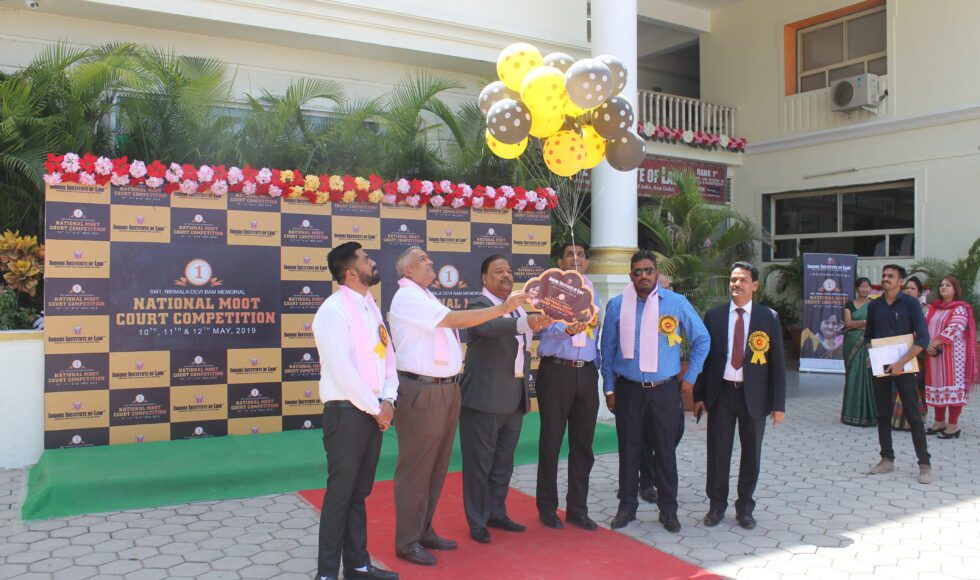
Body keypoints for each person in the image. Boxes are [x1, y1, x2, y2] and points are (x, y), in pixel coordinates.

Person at [388, 247, 526, 566]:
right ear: (407, 271)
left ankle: (424, 531)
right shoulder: (407, 296)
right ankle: (407, 541)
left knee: (436, 468)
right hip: (424, 389)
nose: (430, 262)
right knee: (417, 470)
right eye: (422, 260)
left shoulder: (425, 295)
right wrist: (504, 308)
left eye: (429, 258)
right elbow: (457, 320)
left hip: (446, 389)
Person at [600, 251, 709, 532]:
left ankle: (668, 509)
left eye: (648, 270)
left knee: (665, 450)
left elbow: (702, 339)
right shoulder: (616, 306)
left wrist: (691, 377)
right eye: (637, 271)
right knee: (629, 450)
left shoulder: (675, 302)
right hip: (628, 390)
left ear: (657, 273)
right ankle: (627, 507)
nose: (643, 276)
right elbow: (607, 351)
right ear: (631, 276)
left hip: (664, 390)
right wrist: (609, 388)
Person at [313, 242, 398, 580]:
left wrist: (389, 400)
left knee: (358, 493)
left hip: (372, 411)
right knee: (340, 496)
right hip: (346, 413)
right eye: (365, 259)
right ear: (350, 272)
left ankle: (358, 566)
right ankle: (326, 573)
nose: (372, 262)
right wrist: (377, 408)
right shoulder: (332, 311)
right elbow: (341, 370)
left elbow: (387, 358)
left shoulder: (370, 307)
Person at [460, 255, 553, 544]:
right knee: (479, 463)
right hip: (484, 398)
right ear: (484, 278)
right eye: (498, 271)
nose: (506, 275)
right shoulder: (479, 305)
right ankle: (477, 520)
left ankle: (496, 512)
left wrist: (532, 321)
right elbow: (490, 327)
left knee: (503, 462)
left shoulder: (517, 308)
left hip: (514, 397)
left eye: (509, 271)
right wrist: (524, 322)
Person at [694, 262, 786, 529]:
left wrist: (778, 404)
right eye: (733, 279)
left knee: (751, 453)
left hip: (754, 396)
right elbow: (704, 359)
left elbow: (777, 364)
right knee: (718, 452)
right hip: (721, 394)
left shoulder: (768, 317)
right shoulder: (714, 316)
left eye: (743, 280)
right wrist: (699, 395)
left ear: (755, 285)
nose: (736, 284)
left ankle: (745, 507)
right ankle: (716, 505)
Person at [535, 242, 601, 532]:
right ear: (560, 262)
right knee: (551, 441)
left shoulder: (594, 292)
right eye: (570, 255)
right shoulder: (551, 290)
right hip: (557, 372)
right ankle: (547, 508)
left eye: (581, 255)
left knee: (583, 445)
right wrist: (567, 327)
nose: (576, 259)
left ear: (586, 262)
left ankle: (577, 509)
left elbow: (599, 333)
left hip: (586, 373)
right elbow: (543, 326)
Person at [865, 264, 932, 484]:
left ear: (900, 281)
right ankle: (887, 459)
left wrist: (900, 363)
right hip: (881, 367)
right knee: (883, 414)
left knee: (913, 415)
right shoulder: (874, 305)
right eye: (884, 275)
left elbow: (923, 339)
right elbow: (869, 336)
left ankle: (924, 465)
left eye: (890, 276)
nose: (885, 278)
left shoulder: (911, 304)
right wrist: (871, 354)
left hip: (905, 366)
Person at [637, 273, 685, 504]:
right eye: (661, 287)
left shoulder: (675, 306)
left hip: (668, 384)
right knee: (646, 437)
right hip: (642, 385)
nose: (664, 291)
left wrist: (691, 377)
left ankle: (656, 470)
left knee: (676, 431)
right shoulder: (636, 310)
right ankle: (646, 481)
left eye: (667, 286)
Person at [925, 276, 978, 439]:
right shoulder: (934, 308)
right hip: (934, 355)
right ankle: (939, 421)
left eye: (948, 285)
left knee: (953, 387)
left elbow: (956, 327)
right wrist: (928, 345)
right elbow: (925, 326)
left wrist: (935, 342)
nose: (944, 287)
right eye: (941, 285)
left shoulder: (960, 308)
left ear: (955, 289)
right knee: (937, 386)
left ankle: (953, 425)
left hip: (954, 357)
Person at [893, 277, 928, 431]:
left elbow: (926, 332)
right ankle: (898, 421)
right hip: (900, 350)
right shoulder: (898, 307)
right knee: (900, 384)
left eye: (913, 288)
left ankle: (915, 420)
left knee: (915, 385)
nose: (908, 291)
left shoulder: (926, 309)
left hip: (918, 351)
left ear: (919, 292)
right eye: (907, 288)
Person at [841, 277, 877, 427]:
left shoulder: (874, 304)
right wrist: (865, 323)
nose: (864, 289)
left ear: (870, 289)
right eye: (862, 286)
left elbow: (876, 324)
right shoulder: (849, 304)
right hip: (851, 343)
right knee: (853, 375)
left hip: (868, 342)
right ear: (857, 288)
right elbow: (848, 323)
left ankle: (870, 414)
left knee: (868, 375)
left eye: (867, 287)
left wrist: (857, 325)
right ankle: (851, 413)